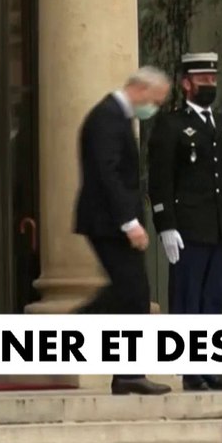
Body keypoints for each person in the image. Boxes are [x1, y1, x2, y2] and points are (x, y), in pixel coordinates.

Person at [147, 51, 222, 392]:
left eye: (213, 81)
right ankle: (189, 370)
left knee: (212, 302)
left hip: (219, 229)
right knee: (188, 302)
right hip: (187, 230)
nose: (209, 86)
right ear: (186, 84)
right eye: (203, 81)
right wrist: (166, 226)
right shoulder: (170, 125)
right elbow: (160, 180)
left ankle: (210, 366)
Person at [74, 67, 172, 396]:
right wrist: (129, 223)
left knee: (132, 293)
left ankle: (126, 373)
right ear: (141, 89)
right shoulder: (107, 117)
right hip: (108, 221)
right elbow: (107, 174)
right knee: (133, 292)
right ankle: (84, 324)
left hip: (110, 220)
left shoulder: (116, 116)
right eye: (155, 101)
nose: (153, 108)